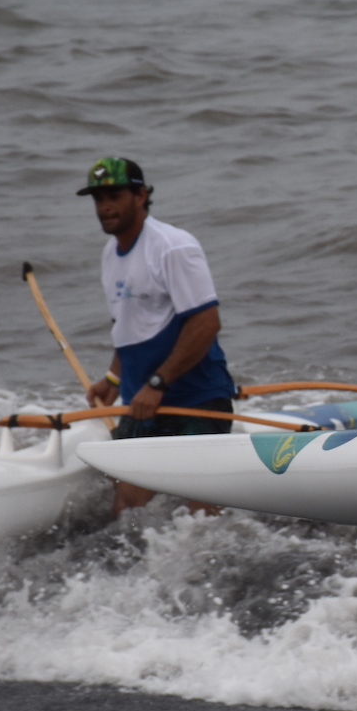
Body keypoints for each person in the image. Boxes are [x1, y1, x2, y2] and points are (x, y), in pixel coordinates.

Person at [76, 157, 237, 517]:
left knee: (203, 513)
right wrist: (113, 379)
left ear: (141, 195)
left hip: (195, 399)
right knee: (126, 507)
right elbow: (129, 326)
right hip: (141, 402)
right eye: (98, 198)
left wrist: (158, 382)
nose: (104, 207)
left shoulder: (173, 247)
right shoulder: (109, 255)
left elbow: (206, 323)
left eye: (114, 195)